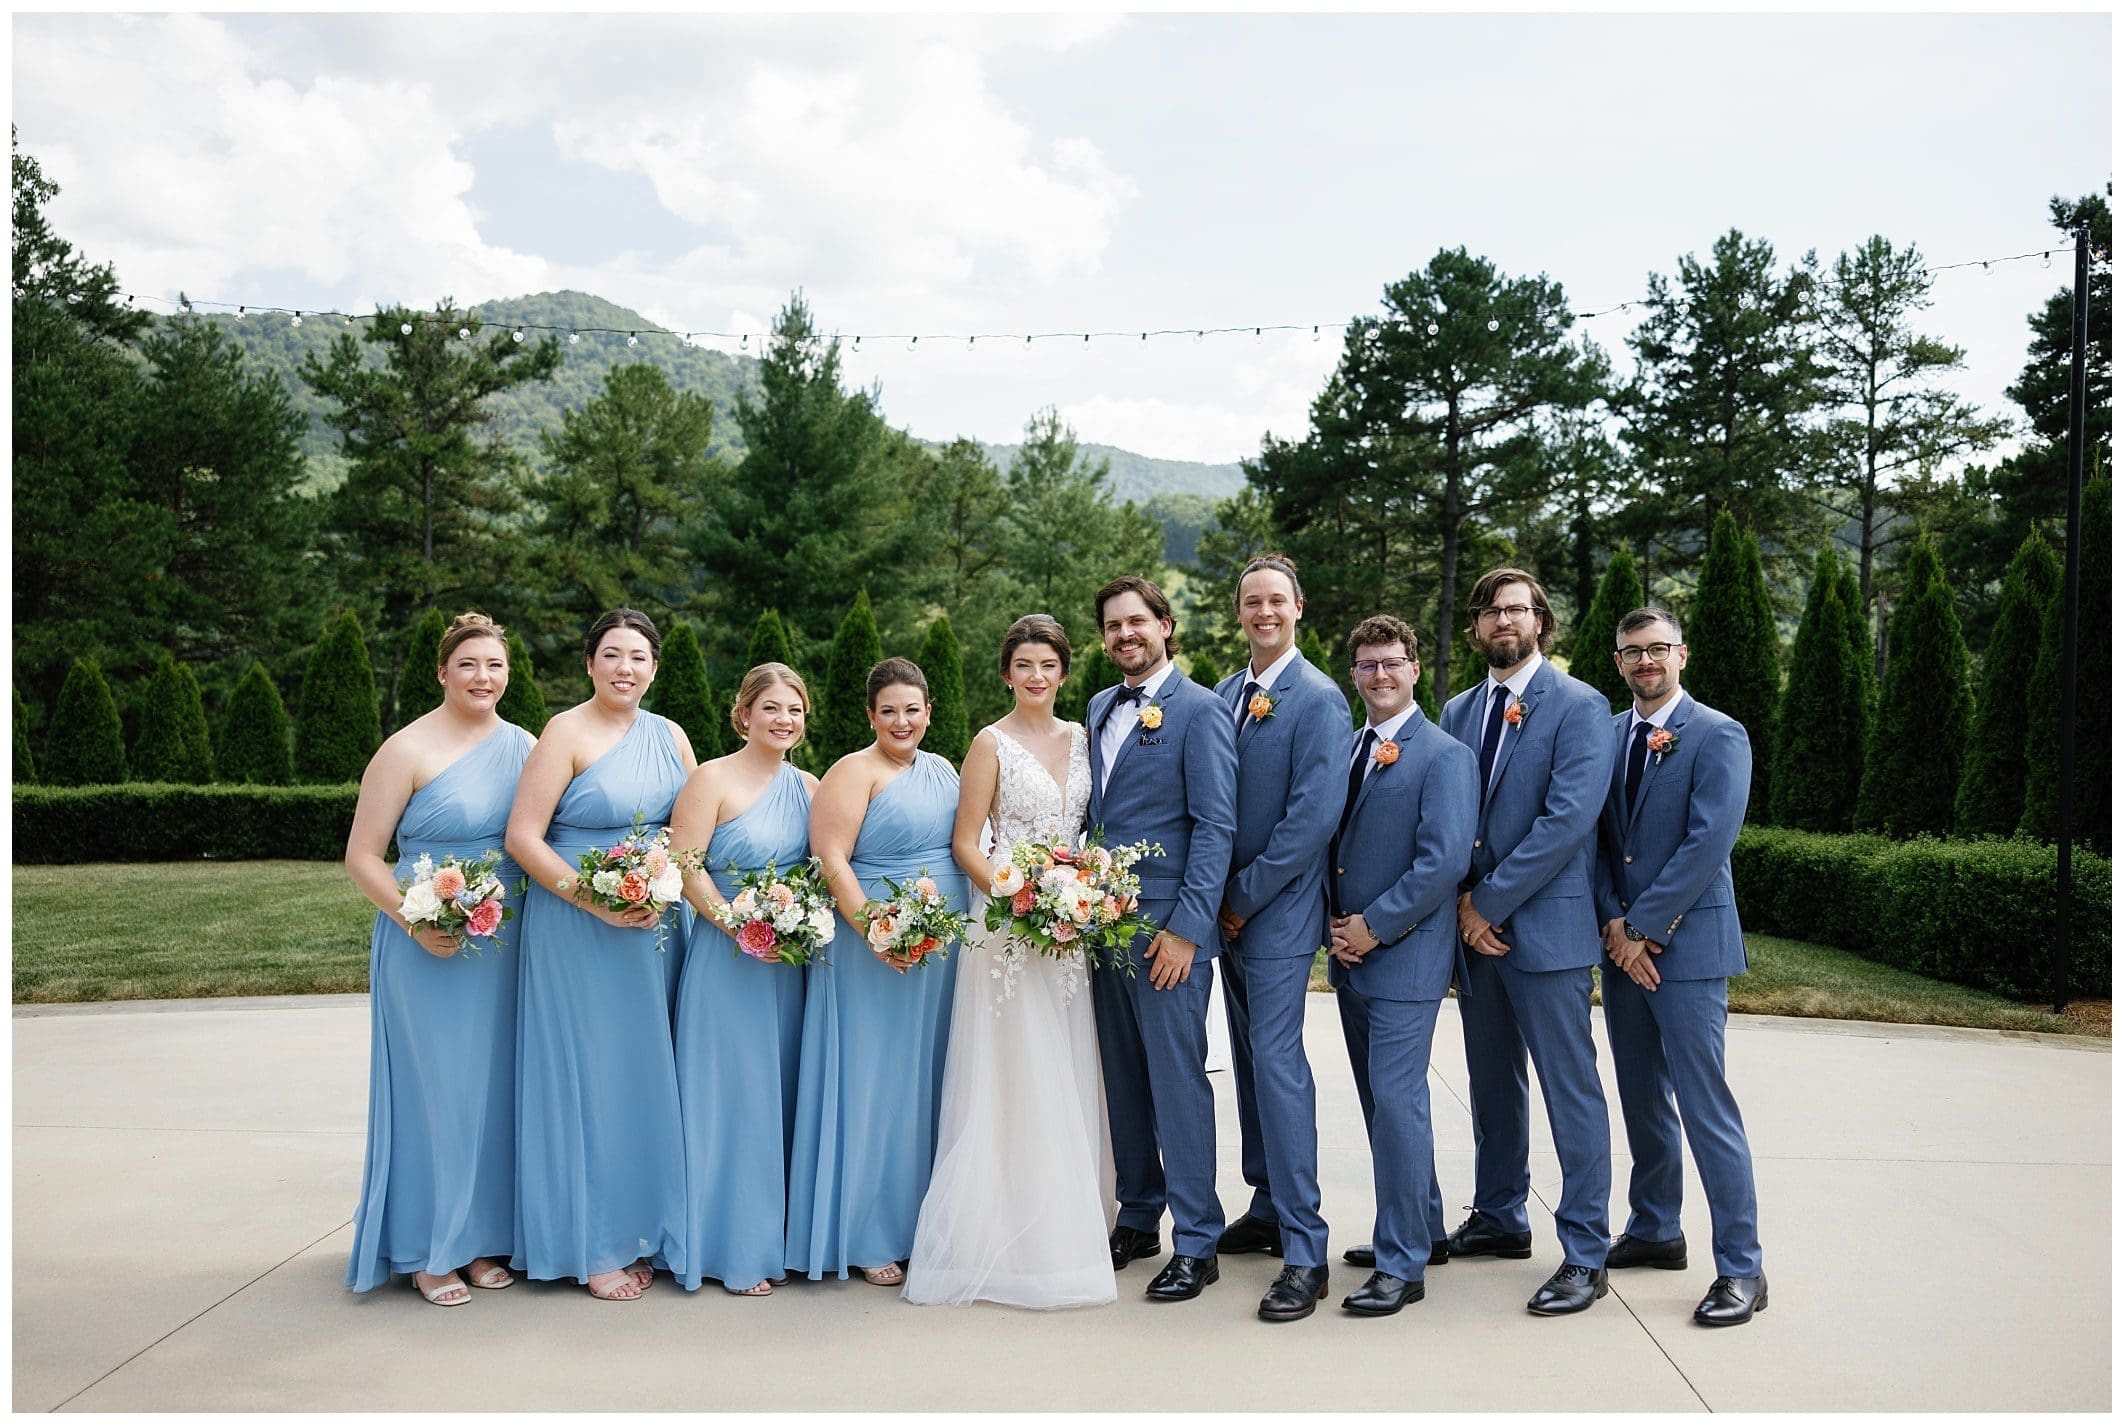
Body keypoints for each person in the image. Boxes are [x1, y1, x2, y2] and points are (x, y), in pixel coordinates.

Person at [904, 615, 1116, 1309]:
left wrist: (1079, 894)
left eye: (1047, 664)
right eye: (1023, 664)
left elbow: (1085, 833)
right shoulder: (988, 743)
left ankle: (1066, 1223)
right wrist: (1018, 896)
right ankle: (1000, 1234)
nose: (1035, 675)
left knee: (1064, 1066)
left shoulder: (1084, 739)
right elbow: (967, 842)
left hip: (1069, 927)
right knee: (1014, 1072)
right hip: (1005, 927)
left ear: (1063, 672)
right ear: (1007, 673)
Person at [343, 612, 534, 1306]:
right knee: (437, 1092)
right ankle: (430, 1247)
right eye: (470, 665)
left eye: (496, 666)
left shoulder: (525, 746)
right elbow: (363, 855)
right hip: (426, 944)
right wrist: (415, 922)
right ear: (442, 672)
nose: (484, 678)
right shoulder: (406, 748)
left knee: (495, 1090)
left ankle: (481, 1236)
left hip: (504, 942)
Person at [505, 608, 696, 1301]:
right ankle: (591, 1240)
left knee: (647, 1074)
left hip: (653, 927)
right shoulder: (565, 731)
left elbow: (692, 827)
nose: (626, 667)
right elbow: (523, 837)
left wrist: (664, 875)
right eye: (612, 653)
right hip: (577, 930)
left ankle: (650, 1228)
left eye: (639, 656)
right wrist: (594, 899)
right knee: (589, 1078)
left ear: (654, 667)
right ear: (589, 663)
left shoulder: (671, 735)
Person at [1437, 568, 1613, 1316]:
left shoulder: (1580, 705)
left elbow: (1566, 822)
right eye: (1490, 611)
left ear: (1539, 618)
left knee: (1570, 1090)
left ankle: (1585, 1250)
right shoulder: (1455, 709)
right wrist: (1459, 908)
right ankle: (1502, 1212)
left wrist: (1485, 903)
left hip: (1547, 931)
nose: (1503, 620)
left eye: (1517, 608)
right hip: (1477, 937)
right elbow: (1445, 813)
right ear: (1476, 627)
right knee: (1493, 1082)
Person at [1595, 605, 1767, 1328]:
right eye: (1633, 651)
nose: (1645, 661)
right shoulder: (1605, 735)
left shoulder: (1719, 734)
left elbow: (1707, 842)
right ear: (1618, 660)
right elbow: (1598, 840)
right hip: (1622, 949)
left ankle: (1743, 1267)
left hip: (1686, 950)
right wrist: (1613, 921)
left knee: (1705, 1106)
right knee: (1641, 1097)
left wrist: (1641, 927)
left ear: (1682, 654)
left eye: (1657, 648)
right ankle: (1657, 1226)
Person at [786, 658, 969, 1285]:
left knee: (926, 1082)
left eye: (912, 709)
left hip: (938, 951)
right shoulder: (853, 771)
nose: (901, 720)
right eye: (888, 710)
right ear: (870, 716)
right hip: (871, 949)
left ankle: (922, 1223)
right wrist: (875, 929)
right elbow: (831, 856)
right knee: (872, 1083)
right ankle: (866, 1232)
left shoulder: (944, 769)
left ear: (929, 712)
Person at [1084, 575, 1238, 1302]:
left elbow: (1215, 827)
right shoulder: (1096, 709)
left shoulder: (1201, 710)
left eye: (1137, 621)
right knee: (1123, 1075)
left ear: (1166, 626)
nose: (1125, 634)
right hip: (1099, 925)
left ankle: (1198, 1238)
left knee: (1178, 1079)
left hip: (1166, 930)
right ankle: (1139, 1213)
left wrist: (1185, 929)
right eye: (1113, 625)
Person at [1323, 615, 1477, 1317]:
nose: (1379, 675)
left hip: (1406, 956)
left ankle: (1402, 1263)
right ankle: (1418, 1227)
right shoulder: (1352, 747)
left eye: (1391, 662)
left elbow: (1443, 860)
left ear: (1416, 668)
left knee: (1399, 1103)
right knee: (1382, 1105)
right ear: (1353, 675)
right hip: (1352, 957)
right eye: (1366, 665)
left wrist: (1374, 927)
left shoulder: (1443, 754)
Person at [1210, 555, 1345, 1322]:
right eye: (1251, 602)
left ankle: (1306, 1247)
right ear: (1240, 613)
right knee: (1251, 1063)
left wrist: (1243, 898)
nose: (1264, 612)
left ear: (1299, 607)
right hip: (1226, 913)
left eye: (1276, 601)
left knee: (1280, 1062)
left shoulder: (1319, 699)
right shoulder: (1229, 693)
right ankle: (1265, 1201)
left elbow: (1309, 821)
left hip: (1279, 913)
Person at [667, 663, 818, 1297]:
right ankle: (728, 1246)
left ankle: (778, 1238)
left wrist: (795, 922)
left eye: (795, 711)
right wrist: (738, 925)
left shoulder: (810, 785)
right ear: (744, 713)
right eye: (772, 708)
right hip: (727, 961)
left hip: (788, 965)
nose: (784, 720)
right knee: (731, 1100)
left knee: (779, 1098)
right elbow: (685, 864)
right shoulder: (711, 779)